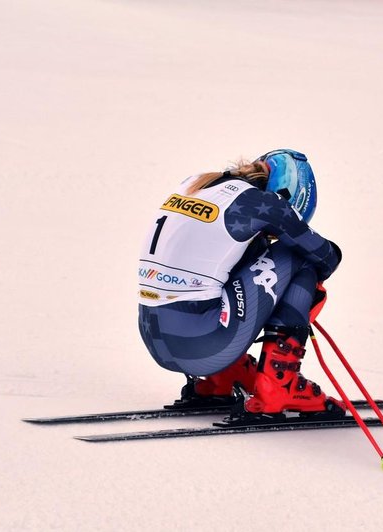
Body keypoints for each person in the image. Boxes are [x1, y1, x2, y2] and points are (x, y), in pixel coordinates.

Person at [137, 149, 344, 416]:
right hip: (204, 347)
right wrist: (299, 297)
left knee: (231, 260)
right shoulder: (268, 204)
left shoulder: (195, 183)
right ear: (289, 192)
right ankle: (279, 385)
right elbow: (327, 256)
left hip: (157, 343)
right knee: (300, 256)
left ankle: (221, 377)